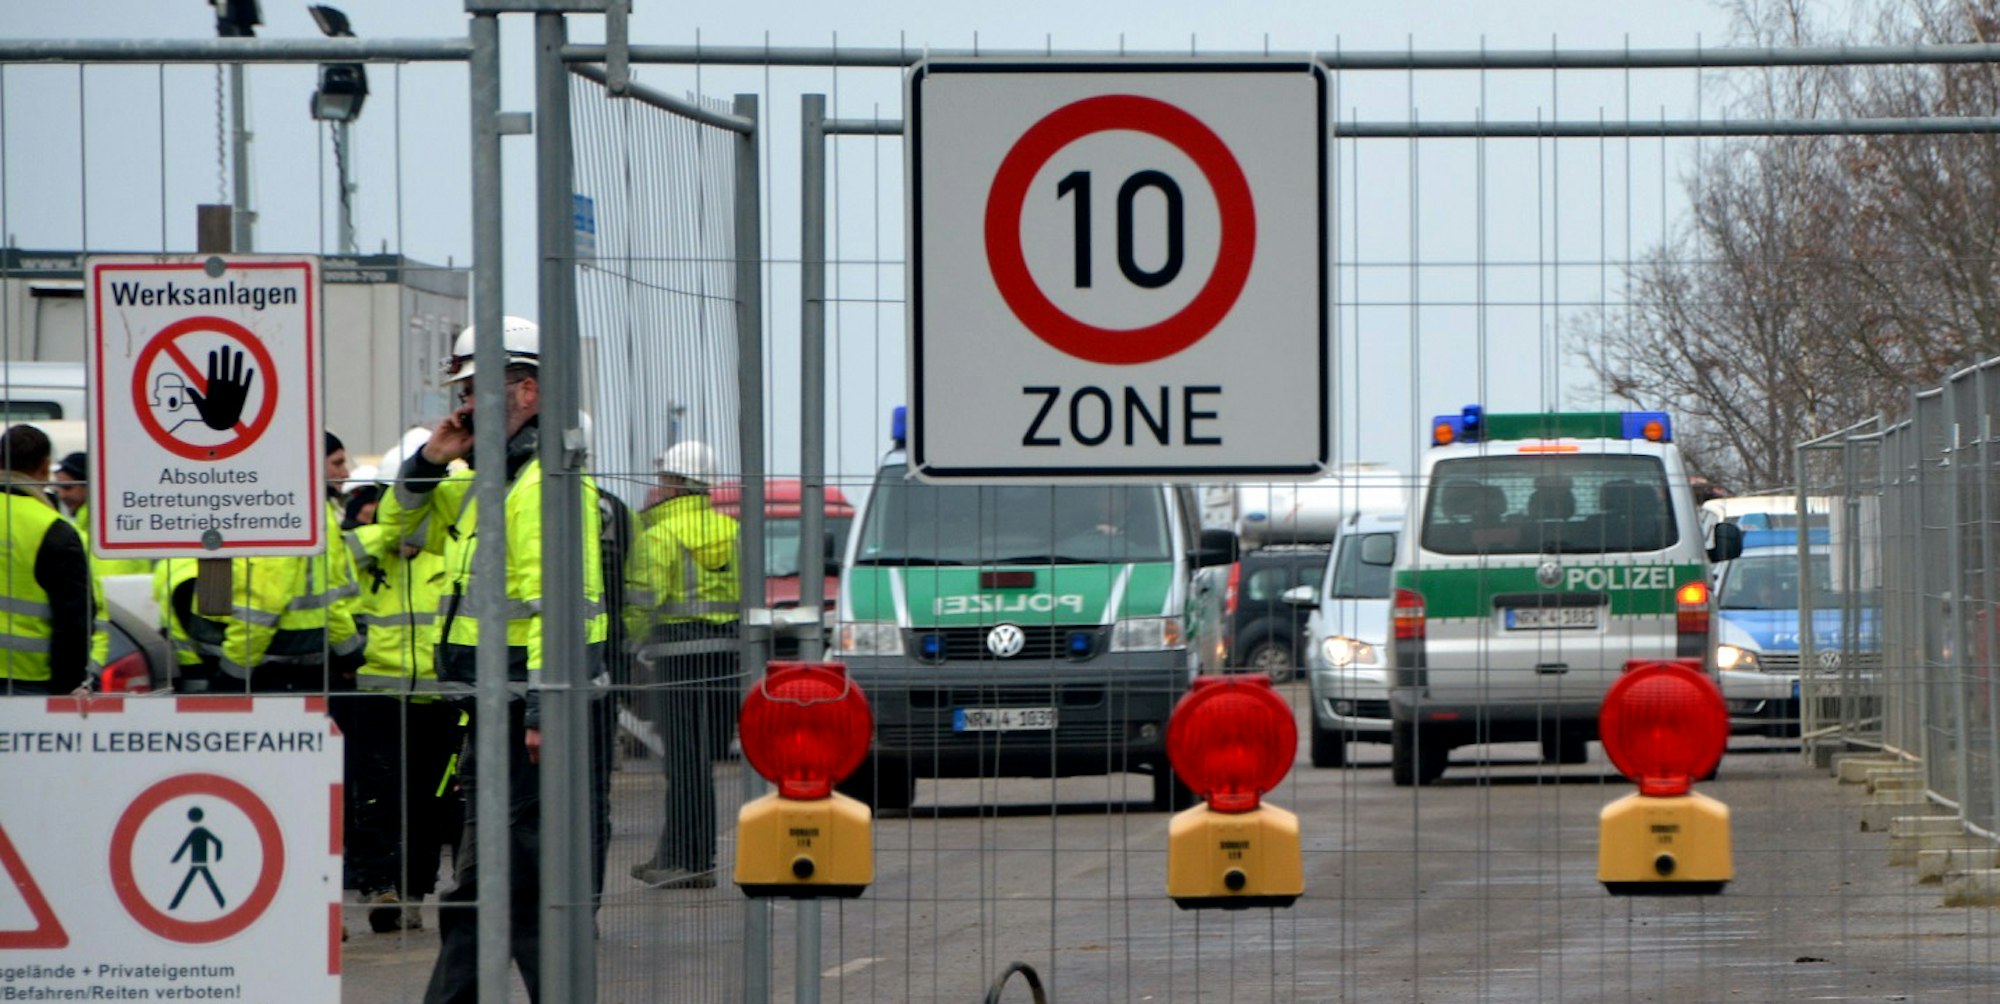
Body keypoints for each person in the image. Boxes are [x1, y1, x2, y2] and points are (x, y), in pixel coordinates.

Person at [375, 316, 610, 1003]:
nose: (464, 406)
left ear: (527, 391)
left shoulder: (543, 488)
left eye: (476, 391)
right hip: (495, 711)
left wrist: (543, 711)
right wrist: (428, 459)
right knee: (498, 879)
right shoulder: (491, 485)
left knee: (512, 881)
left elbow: (564, 611)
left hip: (525, 718)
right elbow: (397, 526)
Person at [342, 440, 459, 935]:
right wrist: (384, 538)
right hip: (377, 694)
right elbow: (334, 557)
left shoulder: (450, 550)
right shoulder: (365, 551)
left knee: (430, 802)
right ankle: (379, 886)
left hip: (438, 695)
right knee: (377, 794)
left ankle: (412, 891)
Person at [154, 433, 364, 693]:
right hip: (271, 664)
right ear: (308, 463)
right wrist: (234, 674)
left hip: (271, 658)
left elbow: (329, 594)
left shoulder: (303, 510)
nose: (345, 473)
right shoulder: (286, 511)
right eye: (337, 463)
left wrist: (349, 653)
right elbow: (262, 606)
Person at [626, 439, 740, 890]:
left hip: (676, 657)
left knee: (682, 763)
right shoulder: (731, 532)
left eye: (663, 479)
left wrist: (624, 646)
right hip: (724, 658)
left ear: (675, 483)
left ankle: (688, 862)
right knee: (700, 763)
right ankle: (682, 855)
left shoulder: (659, 535)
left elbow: (642, 602)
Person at [0, 425, 94, 696]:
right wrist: (67, 688)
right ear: (44, 467)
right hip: (28, 681)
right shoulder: (53, 529)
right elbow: (75, 621)